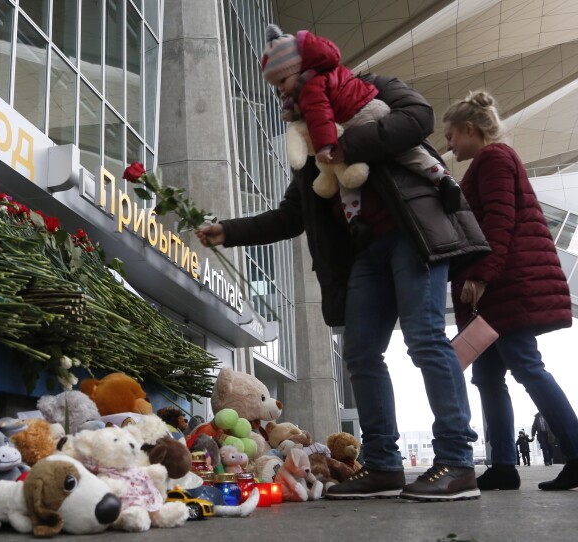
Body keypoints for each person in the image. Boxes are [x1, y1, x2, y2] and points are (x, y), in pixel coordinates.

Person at [197, 39, 490, 501]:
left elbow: (419, 118)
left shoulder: (370, 86)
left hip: (413, 234)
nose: (279, 94)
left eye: (282, 82)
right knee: (360, 353)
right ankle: (383, 465)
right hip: (366, 252)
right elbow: (293, 213)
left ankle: (456, 462)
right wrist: (227, 231)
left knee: (426, 339)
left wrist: (341, 141)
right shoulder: (304, 133)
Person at [443, 90, 578, 491]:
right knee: (487, 376)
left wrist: (482, 274)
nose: (448, 144)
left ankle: (575, 451)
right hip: (498, 288)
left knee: (525, 365)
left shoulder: (495, 158)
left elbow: (500, 220)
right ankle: (502, 465)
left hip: (505, 285)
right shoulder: (491, 160)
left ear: (470, 129)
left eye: (451, 135)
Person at [260, 25, 463, 223]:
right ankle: (441, 176)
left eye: (282, 81)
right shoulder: (333, 72)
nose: (281, 90)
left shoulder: (309, 88)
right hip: (375, 105)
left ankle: (353, 216)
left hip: (355, 119)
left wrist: (326, 147)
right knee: (410, 153)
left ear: (298, 67)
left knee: (343, 174)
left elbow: (319, 115)